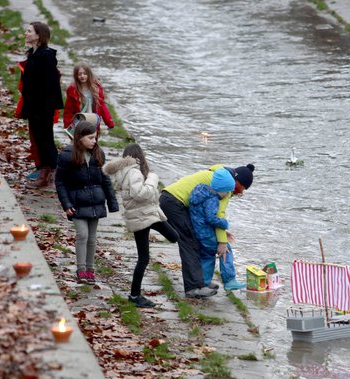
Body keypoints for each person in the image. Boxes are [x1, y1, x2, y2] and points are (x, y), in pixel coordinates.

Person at [159, 163, 255, 298]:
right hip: (174, 203)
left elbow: (204, 215)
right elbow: (217, 216)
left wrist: (221, 234)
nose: (241, 192)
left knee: (195, 241)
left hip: (169, 198)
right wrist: (222, 241)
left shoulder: (217, 176)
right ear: (236, 181)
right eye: (243, 187)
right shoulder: (225, 186)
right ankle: (194, 287)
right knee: (190, 243)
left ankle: (201, 281)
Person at [103, 144, 179, 308]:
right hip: (143, 217)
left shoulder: (126, 172)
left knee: (174, 236)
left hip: (146, 215)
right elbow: (141, 194)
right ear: (139, 157)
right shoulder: (134, 172)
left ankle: (135, 295)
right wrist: (152, 179)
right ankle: (135, 295)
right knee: (144, 258)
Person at [55, 117, 119, 284]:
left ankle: (90, 270)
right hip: (76, 203)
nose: (94, 141)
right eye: (90, 138)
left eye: (95, 137)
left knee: (92, 237)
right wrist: (66, 204)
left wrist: (112, 203)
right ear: (79, 138)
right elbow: (60, 182)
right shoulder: (67, 156)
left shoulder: (99, 154)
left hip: (95, 203)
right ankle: (81, 269)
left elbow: (105, 179)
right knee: (82, 235)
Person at [21, 21, 64, 188]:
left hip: (42, 106)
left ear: (38, 35)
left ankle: (47, 173)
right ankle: (50, 171)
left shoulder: (46, 56)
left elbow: (50, 84)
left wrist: (43, 107)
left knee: (45, 139)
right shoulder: (33, 53)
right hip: (33, 105)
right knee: (39, 138)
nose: (26, 33)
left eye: (29, 31)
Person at [189, 168, 246, 291]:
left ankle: (203, 282)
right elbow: (211, 218)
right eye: (227, 192)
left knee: (205, 255)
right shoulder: (213, 199)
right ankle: (228, 280)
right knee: (224, 250)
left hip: (197, 231)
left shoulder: (200, 191)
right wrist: (224, 223)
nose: (227, 195)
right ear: (221, 189)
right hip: (206, 233)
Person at [63, 62, 114, 139]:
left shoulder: (96, 88)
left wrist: (109, 122)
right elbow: (68, 110)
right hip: (80, 122)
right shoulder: (72, 90)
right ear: (76, 76)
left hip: (92, 121)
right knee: (80, 145)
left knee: (92, 143)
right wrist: (68, 126)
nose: (82, 76)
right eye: (79, 74)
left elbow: (102, 106)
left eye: (84, 73)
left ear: (89, 74)